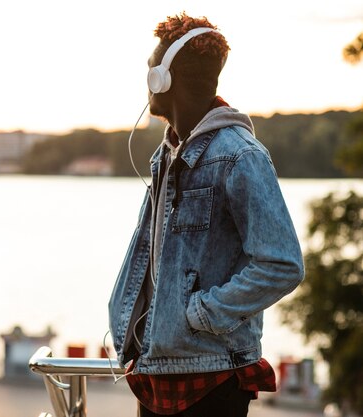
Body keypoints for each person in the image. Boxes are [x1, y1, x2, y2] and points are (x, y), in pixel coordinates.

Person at [108, 13, 304, 417]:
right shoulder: (168, 154)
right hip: (158, 368)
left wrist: (199, 313)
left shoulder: (239, 156)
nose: (148, 81)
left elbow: (282, 264)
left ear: (165, 78)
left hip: (211, 377)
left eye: (151, 69)